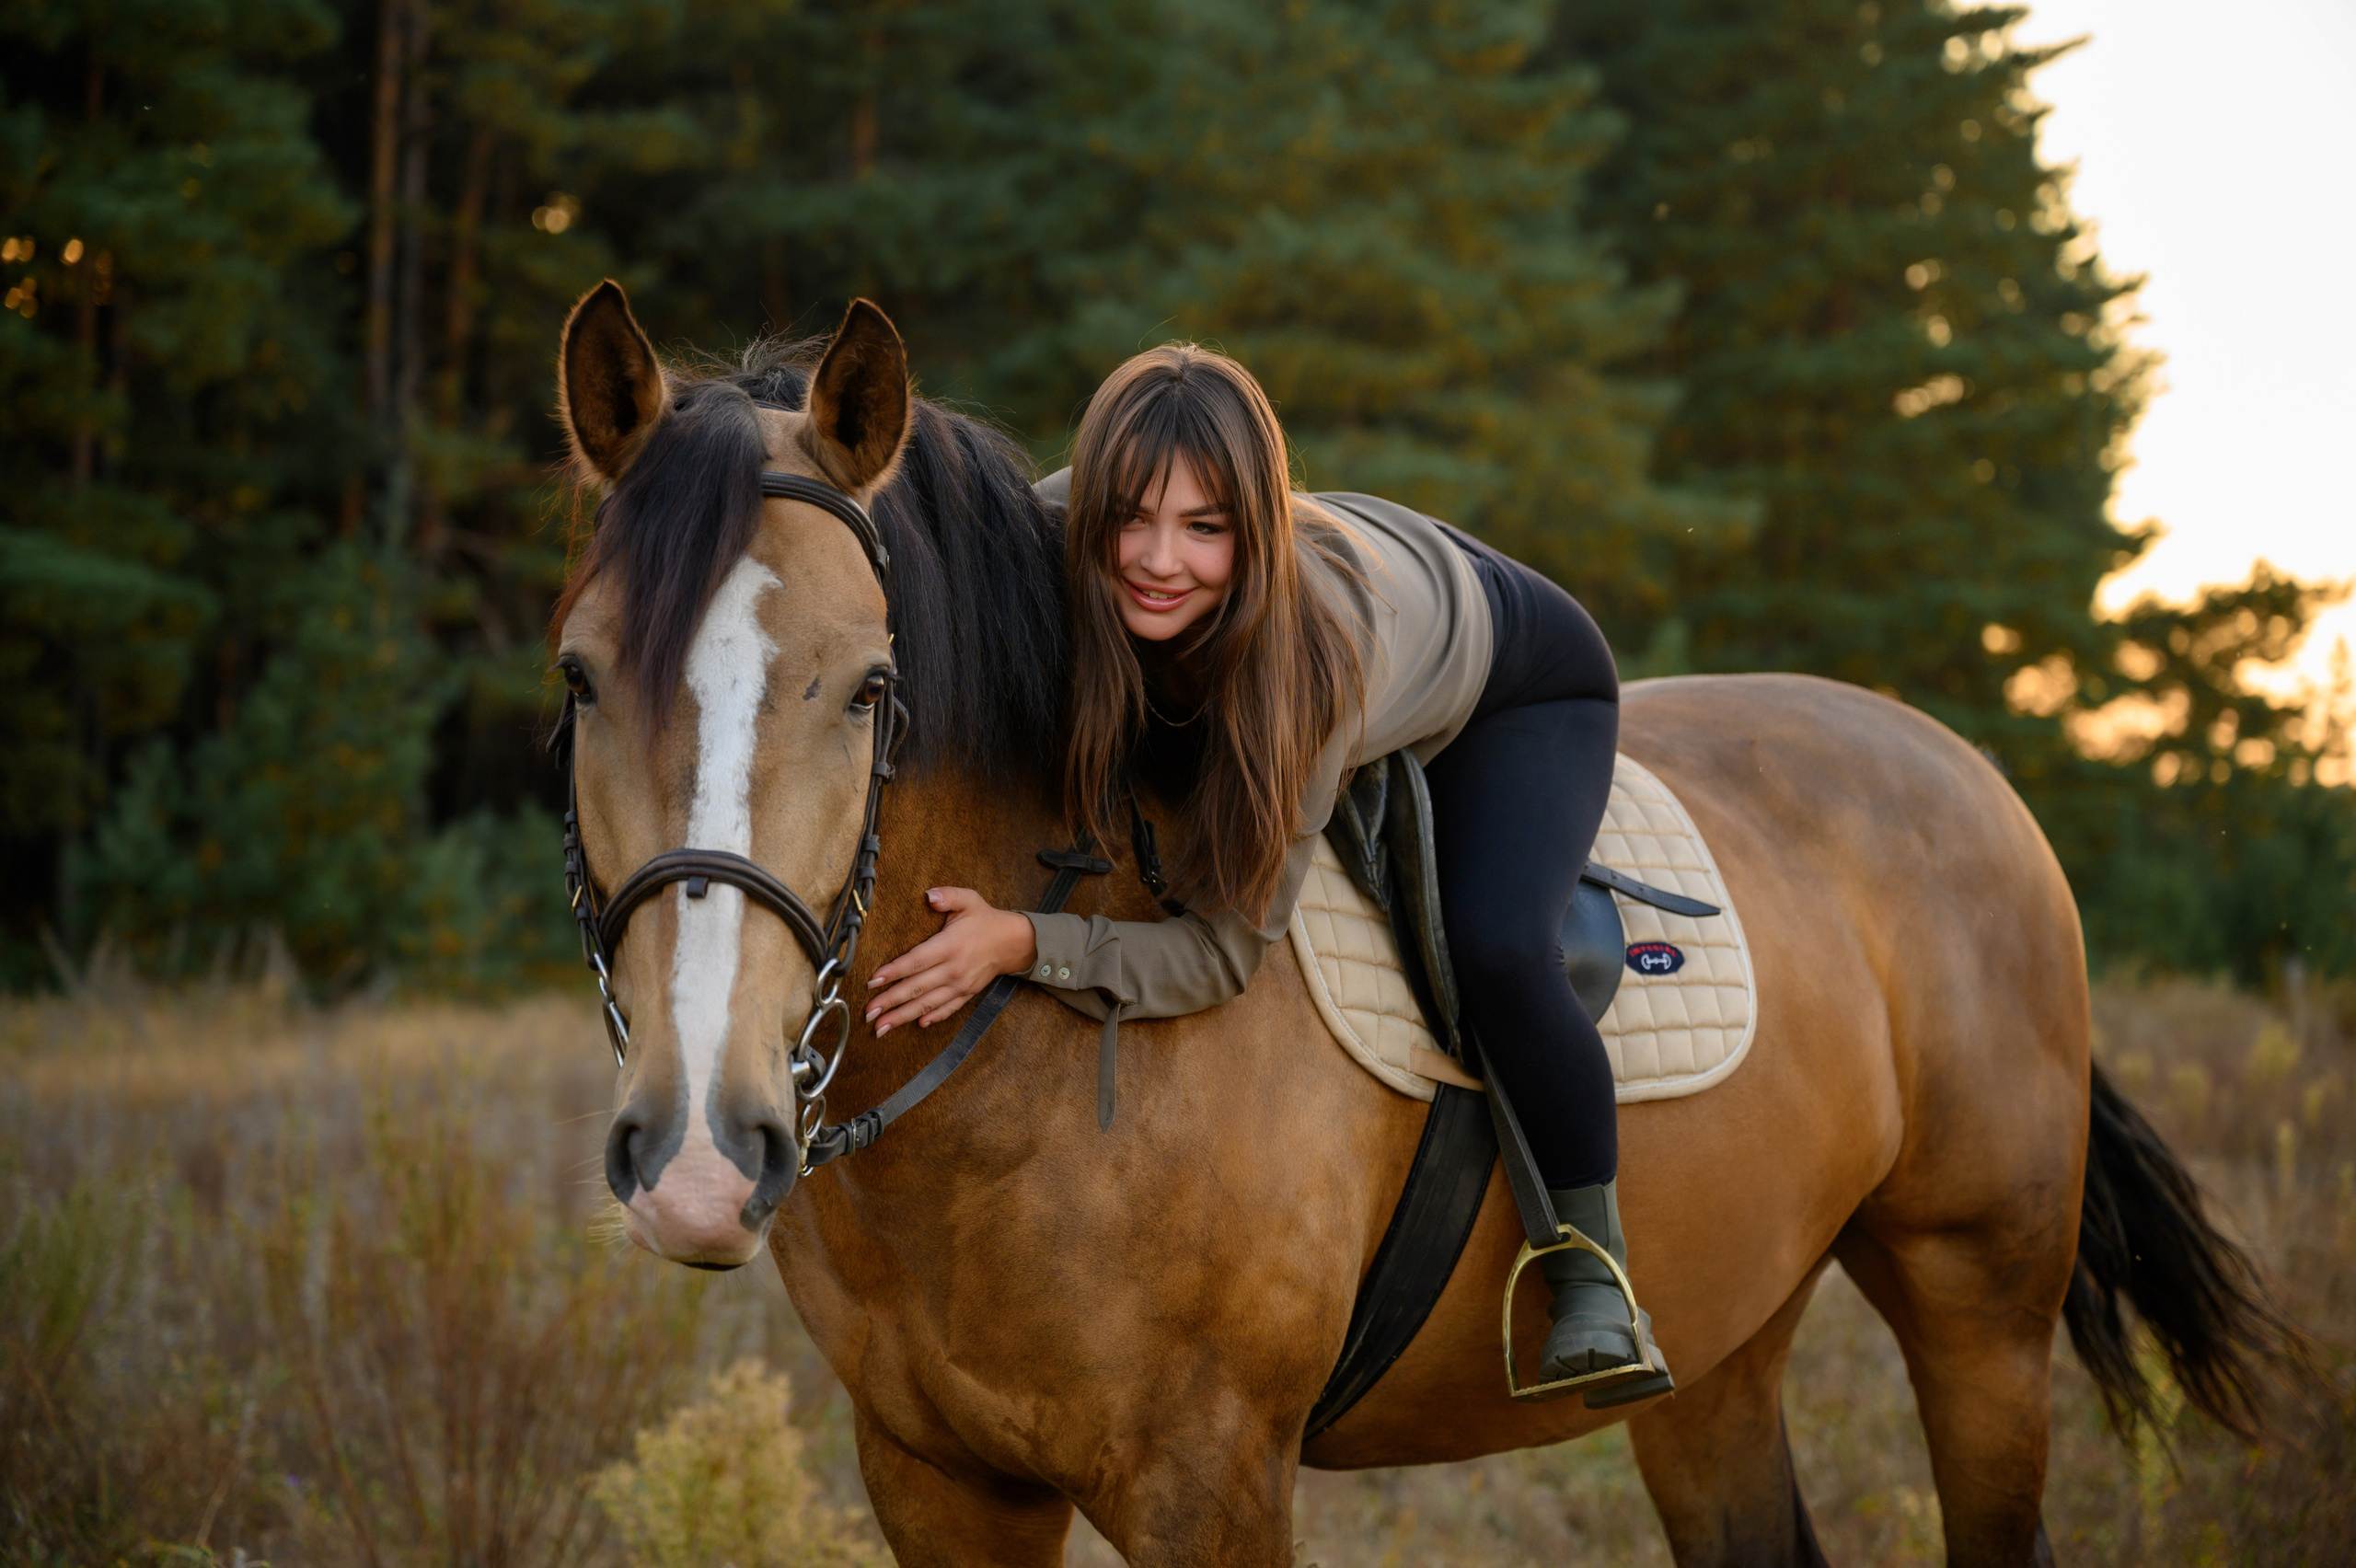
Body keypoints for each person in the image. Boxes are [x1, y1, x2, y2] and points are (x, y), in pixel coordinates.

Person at [863, 344, 1637, 1381]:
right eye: (1129, 517)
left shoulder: (1301, 681)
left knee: (1499, 948)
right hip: (1366, 553)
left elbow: (1220, 958)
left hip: (1520, 669)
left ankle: (1591, 1264)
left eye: (1203, 529)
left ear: (1248, 533)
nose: (1156, 559)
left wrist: (1025, 940)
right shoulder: (1053, 542)